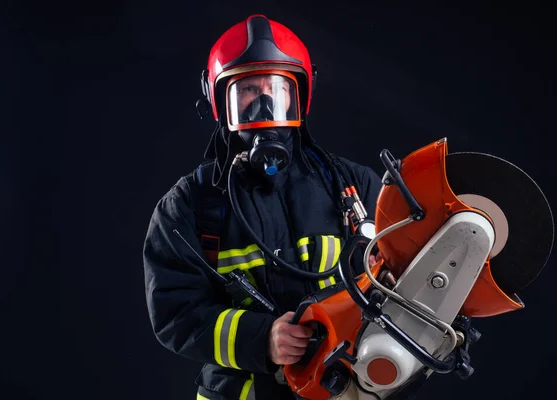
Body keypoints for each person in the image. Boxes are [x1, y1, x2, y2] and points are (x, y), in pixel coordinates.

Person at [143, 14, 384, 400]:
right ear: (220, 100)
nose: (264, 103)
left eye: (276, 87)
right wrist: (261, 341)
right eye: (248, 91)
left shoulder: (354, 187)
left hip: (342, 388)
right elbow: (175, 314)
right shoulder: (188, 206)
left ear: (300, 95)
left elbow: (397, 275)